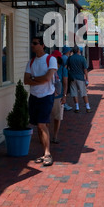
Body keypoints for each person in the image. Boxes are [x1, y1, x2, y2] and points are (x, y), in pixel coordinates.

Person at [24, 36, 58, 166]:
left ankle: (48, 153)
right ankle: (44, 153)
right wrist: (39, 79)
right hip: (34, 96)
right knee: (38, 125)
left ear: (43, 45)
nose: (32, 45)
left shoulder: (51, 59)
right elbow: (26, 80)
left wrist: (34, 78)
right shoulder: (31, 62)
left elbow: (48, 78)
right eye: (32, 43)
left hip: (46, 96)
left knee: (41, 124)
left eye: (35, 43)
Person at [50, 50, 68, 144]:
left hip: (58, 97)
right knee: (46, 119)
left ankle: (55, 135)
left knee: (57, 118)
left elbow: (65, 83)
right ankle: (45, 136)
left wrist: (64, 96)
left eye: (55, 58)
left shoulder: (63, 70)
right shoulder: (48, 68)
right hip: (48, 96)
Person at [67, 45, 91, 113]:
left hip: (72, 77)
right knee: (83, 92)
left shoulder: (70, 58)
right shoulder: (82, 58)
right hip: (80, 77)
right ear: (78, 51)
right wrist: (87, 79)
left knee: (74, 92)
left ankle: (77, 107)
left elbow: (67, 67)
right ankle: (87, 106)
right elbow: (85, 70)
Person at [61, 46, 72, 111]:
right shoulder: (65, 58)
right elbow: (66, 67)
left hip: (62, 75)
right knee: (66, 90)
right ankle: (64, 104)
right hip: (64, 75)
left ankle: (64, 104)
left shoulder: (62, 57)